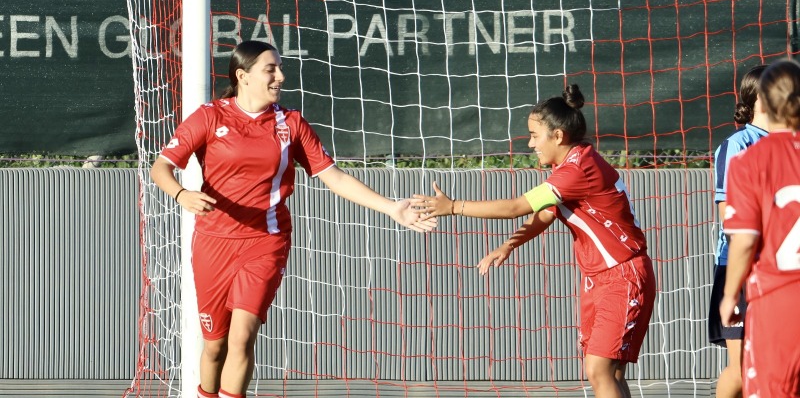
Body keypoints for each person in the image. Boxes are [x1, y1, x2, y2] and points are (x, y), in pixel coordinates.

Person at [150, 40, 436, 398]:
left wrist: (393, 207)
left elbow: (336, 178)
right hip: (213, 244)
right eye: (271, 69)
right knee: (215, 346)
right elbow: (161, 167)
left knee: (242, 338)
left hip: (265, 243)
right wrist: (182, 194)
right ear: (243, 76)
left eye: (280, 68)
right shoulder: (210, 116)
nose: (280, 77)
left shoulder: (291, 124)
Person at [412, 85, 655, 398]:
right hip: (602, 278)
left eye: (534, 135)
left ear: (557, 136)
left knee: (599, 370)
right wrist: (508, 245)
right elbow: (545, 213)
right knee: (610, 373)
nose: (530, 143)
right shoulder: (569, 166)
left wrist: (453, 206)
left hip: (623, 275)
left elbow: (516, 207)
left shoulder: (577, 170)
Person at [720, 58, 800, 398]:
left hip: (776, 297)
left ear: (762, 103)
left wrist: (729, 292)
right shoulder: (739, 147)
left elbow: (743, 238)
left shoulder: (751, 159)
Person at [707, 63, 769, 398]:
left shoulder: (792, 143)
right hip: (740, 267)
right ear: (758, 98)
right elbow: (730, 216)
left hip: (781, 270)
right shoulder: (739, 144)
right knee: (744, 369)